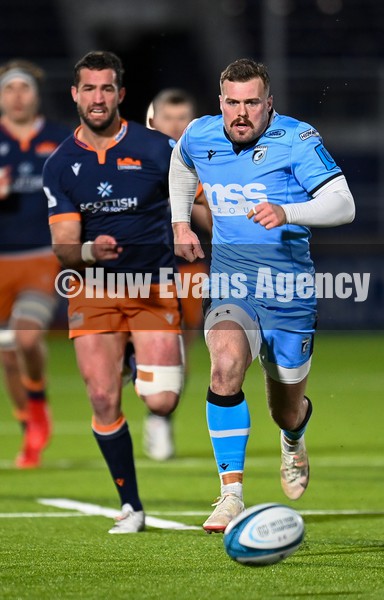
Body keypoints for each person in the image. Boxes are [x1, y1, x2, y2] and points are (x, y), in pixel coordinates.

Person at [169, 58, 355, 533]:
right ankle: (231, 494)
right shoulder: (201, 135)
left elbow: (343, 204)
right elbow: (180, 162)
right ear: (221, 102)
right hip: (232, 282)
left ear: (268, 104)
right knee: (226, 364)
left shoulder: (297, 138)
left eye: (252, 102)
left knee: (285, 409)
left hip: (290, 292)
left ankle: (294, 437)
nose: (241, 112)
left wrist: (288, 211)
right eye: (233, 102)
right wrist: (180, 222)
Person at [43, 51, 184, 534]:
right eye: (89, 89)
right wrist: (88, 248)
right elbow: (63, 249)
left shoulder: (158, 148)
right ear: (75, 95)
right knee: (103, 398)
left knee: (162, 401)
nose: (98, 98)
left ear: (121, 94)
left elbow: (196, 202)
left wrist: (197, 226)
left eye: (107, 89)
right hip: (94, 288)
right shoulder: (60, 165)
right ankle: (132, 506)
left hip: (152, 286)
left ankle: (135, 359)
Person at [0, 59, 70, 468]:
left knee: (25, 339)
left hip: (41, 258)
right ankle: (28, 424)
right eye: (9, 89)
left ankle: (39, 400)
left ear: (36, 94)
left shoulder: (59, 140)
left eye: (23, 88)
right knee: (7, 356)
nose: (17, 95)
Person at [138, 88, 211, 461]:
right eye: (169, 117)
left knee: (181, 345)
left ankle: (160, 416)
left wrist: (187, 199)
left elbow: (211, 222)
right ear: (154, 120)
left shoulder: (203, 161)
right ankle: (137, 368)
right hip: (137, 269)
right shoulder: (135, 158)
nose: (176, 125)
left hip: (186, 268)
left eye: (184, 118)